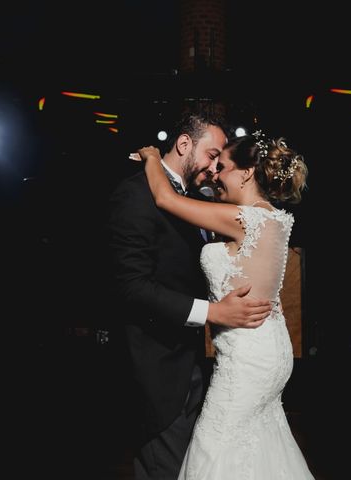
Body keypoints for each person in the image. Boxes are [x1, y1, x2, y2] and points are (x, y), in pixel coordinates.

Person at [135, 130, 314, 479]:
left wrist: (153, 158)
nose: (216, 173)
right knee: (260, 446)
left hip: (246, 359)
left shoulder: (241, 219)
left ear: (247, 173)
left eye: (224, 166)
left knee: (216, 447)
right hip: (271, 349)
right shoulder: (275, 217)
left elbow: (165, 199)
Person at [108, 114, 273, 480]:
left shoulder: (199, 201)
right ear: (184, 144)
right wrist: (212, 312)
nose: (215, 169)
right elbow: (130, 287)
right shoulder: (136, 194)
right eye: (212, 155)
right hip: (157, 372)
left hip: (200, 368)